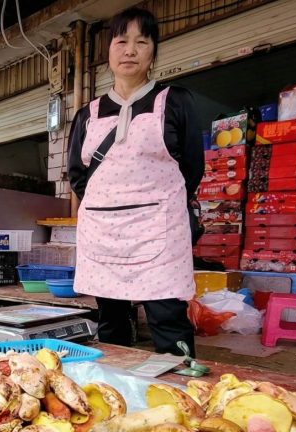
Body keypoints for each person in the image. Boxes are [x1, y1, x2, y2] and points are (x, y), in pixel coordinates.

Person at [67, 8, 204, 357]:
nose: (130, 50)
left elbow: (192, 168)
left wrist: (156, 205)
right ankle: (113, 384)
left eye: (141, 42)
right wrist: (110, 207)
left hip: (159, 230)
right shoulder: (87, 114)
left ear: (153, 51)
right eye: (121, 41)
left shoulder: (174, 101)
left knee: (168, 318)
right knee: (111, 321)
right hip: (103, 232)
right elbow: (78, 175)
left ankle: (178, 386)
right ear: (108, 52)